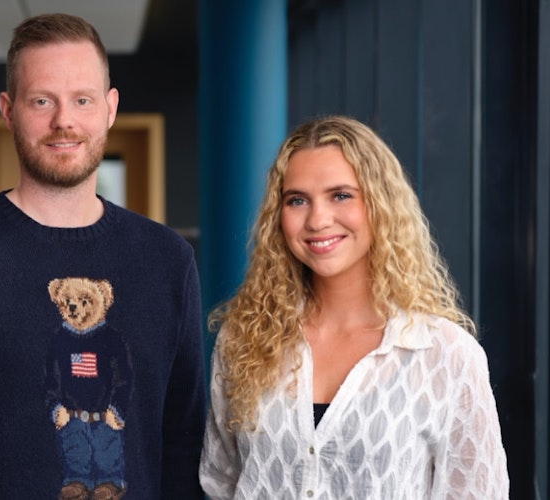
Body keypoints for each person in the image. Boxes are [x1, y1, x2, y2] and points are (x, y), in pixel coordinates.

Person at [0, 12, 205, 500]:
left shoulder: (167, 261)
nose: (63, 120)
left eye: (82, 100)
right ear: (8, 110)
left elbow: (184, 444)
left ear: (109, 108)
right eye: (42, 100)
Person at [198, 115, 509, 498]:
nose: (317, 219)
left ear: (380, 204)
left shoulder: (446, 355)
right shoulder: (242, 340)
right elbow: (220, 481)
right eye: (297, 200)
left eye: (341, 195)